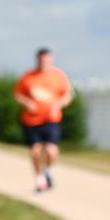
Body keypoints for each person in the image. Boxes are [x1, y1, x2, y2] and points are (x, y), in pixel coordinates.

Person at [14, 48, 73, 193]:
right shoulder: (28, 76)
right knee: (35, 151)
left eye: (46, 60)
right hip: (31, 120)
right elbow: (17, 94)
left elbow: (67, 95)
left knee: (51, 150)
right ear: (37, 60)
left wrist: (58, 104)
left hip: (51, 119)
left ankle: (48, 172)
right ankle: (39, 179)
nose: (44, 62)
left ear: (51, 60)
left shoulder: (58, 75)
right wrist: (26, 103)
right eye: (41, 60)